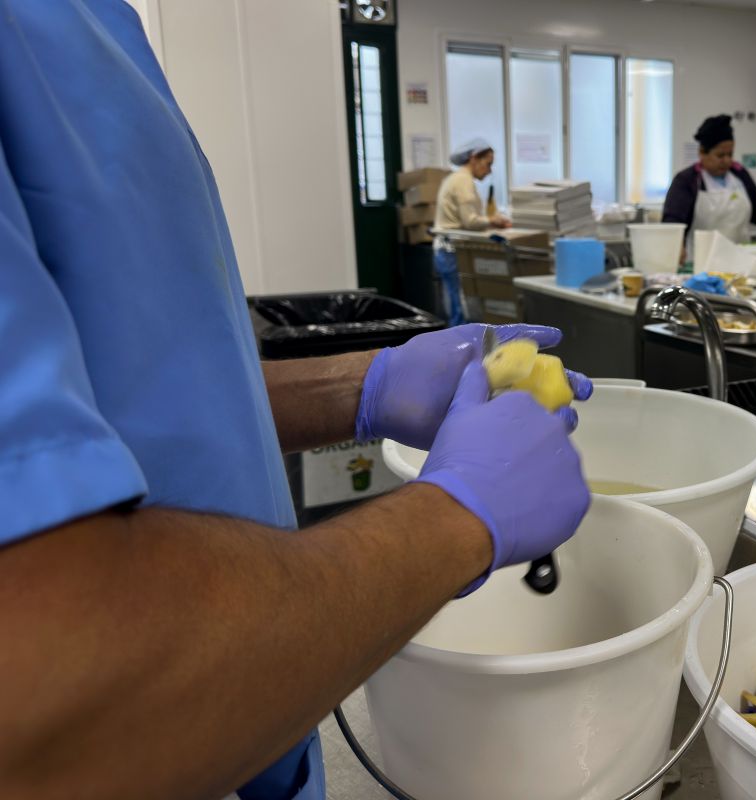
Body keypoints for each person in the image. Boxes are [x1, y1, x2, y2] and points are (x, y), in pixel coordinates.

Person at [0, 3, 591, 799]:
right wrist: (457, 518)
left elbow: (125, 390)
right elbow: (49, 695)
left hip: (245, 727)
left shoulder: (90, 23)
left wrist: (363, 386)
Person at [663, 114, 756, 257]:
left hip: (739, 258)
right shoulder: (687, 180)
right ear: (702, 153)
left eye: (730, 154)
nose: (726, 160)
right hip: (700, 261)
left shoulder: (740, 174)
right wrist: (676, 246)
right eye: (720, 155)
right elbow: (672, 223)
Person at [433, 139, 511, 325]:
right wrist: (494, 221)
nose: (489, 170)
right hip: (453, 250)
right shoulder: (463, 181)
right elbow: (470, 221)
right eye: (488, 163)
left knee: (456, 304)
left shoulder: (455, 179)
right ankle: (459, 343)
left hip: (447, 249)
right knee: (462, 307)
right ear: (474, 158)